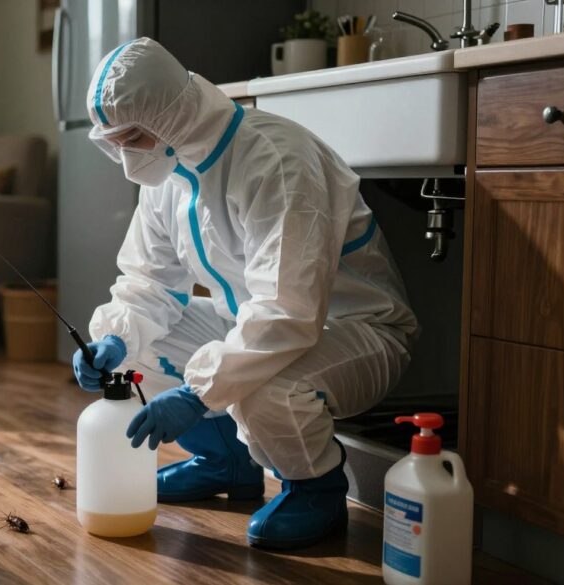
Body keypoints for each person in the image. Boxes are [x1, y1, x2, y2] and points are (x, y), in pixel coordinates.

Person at [72, 38, 418, 550]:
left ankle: (317, 487)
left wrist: (196, 394)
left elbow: (288, 312)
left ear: (170, 115)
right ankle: (226, 463)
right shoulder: (168, 171)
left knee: (263, 387)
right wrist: (113, 342)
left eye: (133, 138)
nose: (127, 155)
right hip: (259, 324)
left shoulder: (276, 160)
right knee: (136, 346)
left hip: (357, 333)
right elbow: (147, 283)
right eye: (116, 142)